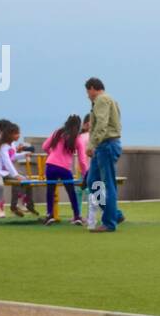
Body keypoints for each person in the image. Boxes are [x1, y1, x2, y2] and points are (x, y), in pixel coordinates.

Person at [84, 77, 124, 233]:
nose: (88, 95)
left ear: (92, 88)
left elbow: (101, 123)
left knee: (107, 184)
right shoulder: (110, 100)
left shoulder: (101, 100)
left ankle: (109, 222)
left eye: (88, 91)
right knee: (92, 181)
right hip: (106, 144)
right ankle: (114, 214)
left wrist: (92, 144)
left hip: (106, 145)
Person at [42, 114, 87, 225]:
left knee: (50, 191)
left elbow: (45, 146)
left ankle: (49, 215)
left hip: (50, 165)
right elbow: (82, 160)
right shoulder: (77, 138)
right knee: (71, 192)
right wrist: (85, 174)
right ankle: (77, 216)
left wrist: (51, 155)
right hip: (64, 168)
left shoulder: (58, 132)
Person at [0, 122, 25, 219]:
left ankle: (18, 204)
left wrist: (24, 154)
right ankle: (1, 208)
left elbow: (12, 158)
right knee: (0, 185)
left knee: (23, 179)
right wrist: (15, 174)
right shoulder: (2, 144)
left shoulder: (11, 143)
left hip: (7, 172)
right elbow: (7, 161)